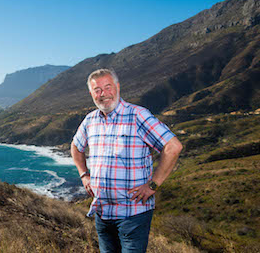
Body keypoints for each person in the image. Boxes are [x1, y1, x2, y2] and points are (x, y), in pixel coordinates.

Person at [71, 68, 183, 253]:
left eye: (108, 87)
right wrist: (84, 175)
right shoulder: (90, 120)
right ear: (91, 94)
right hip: (102, 212)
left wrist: (153, 185)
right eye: (97, 90)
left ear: (117, 87)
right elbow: (76, 147)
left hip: (133, 214)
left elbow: (173, 147)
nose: (103, 94)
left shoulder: (138, 115)